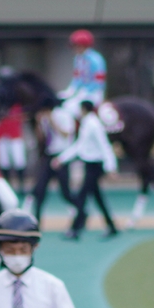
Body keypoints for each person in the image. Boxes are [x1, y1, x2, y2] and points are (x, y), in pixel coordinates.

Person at [54, 100, 118, 239]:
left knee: (82, 196)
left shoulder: (93, 124)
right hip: (89, 164)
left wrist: (110, 167)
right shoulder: (87, 123)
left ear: (84, 109)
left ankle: (75, 228)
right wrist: (62, 158)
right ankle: (111, 226)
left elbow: (104, 145)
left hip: (95, 165)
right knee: (97, 197)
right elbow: (79, 146)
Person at [22, 96, 76, 224]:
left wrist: (52, 121)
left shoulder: (63, 115)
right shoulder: (45, 119)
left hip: (62, 156)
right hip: (49, 155)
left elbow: (66, 134)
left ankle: (80, 210)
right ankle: (37, 220)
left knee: (65, 192)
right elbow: (42, 139)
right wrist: (39, 124)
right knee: (40, 189)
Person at [59, 29, 107, 119]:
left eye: (76, 46)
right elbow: (77, 79)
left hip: (94, 93)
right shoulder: (78, 59)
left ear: (83, 45)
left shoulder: (96, 59)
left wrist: (87, 91)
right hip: (82, 92)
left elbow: (99, 82)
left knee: (73, 107)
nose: (74, 49)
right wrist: (70, 90)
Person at [0, 101, 27, 195]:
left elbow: (22, 116)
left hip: (15, 136)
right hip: (1, 136)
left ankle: (22, 186)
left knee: (19, 161)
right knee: (4, 163)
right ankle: (8, 185)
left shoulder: (16, 105)